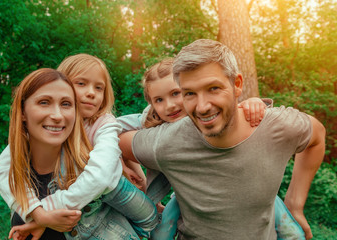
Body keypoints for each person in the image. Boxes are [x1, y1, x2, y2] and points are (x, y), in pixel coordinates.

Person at [119, 39, 326, 239]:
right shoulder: (165, 140)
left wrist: (295, 203)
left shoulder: (273, 125)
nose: (202, 107)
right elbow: (115, 140)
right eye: (190, 93)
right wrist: (125, 166)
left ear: (237, 84)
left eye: (213, 88)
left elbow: (317, 135)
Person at [0, 57, 158, 239]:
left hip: (111, 194)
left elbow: (103, 174)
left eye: (98, 88)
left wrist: (44, 212)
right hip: (89, 203)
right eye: (81, 83)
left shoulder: (103, 123)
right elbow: (2, 170)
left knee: (153, 219)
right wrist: (39, 215)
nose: (91, 93)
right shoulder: (35, 136)